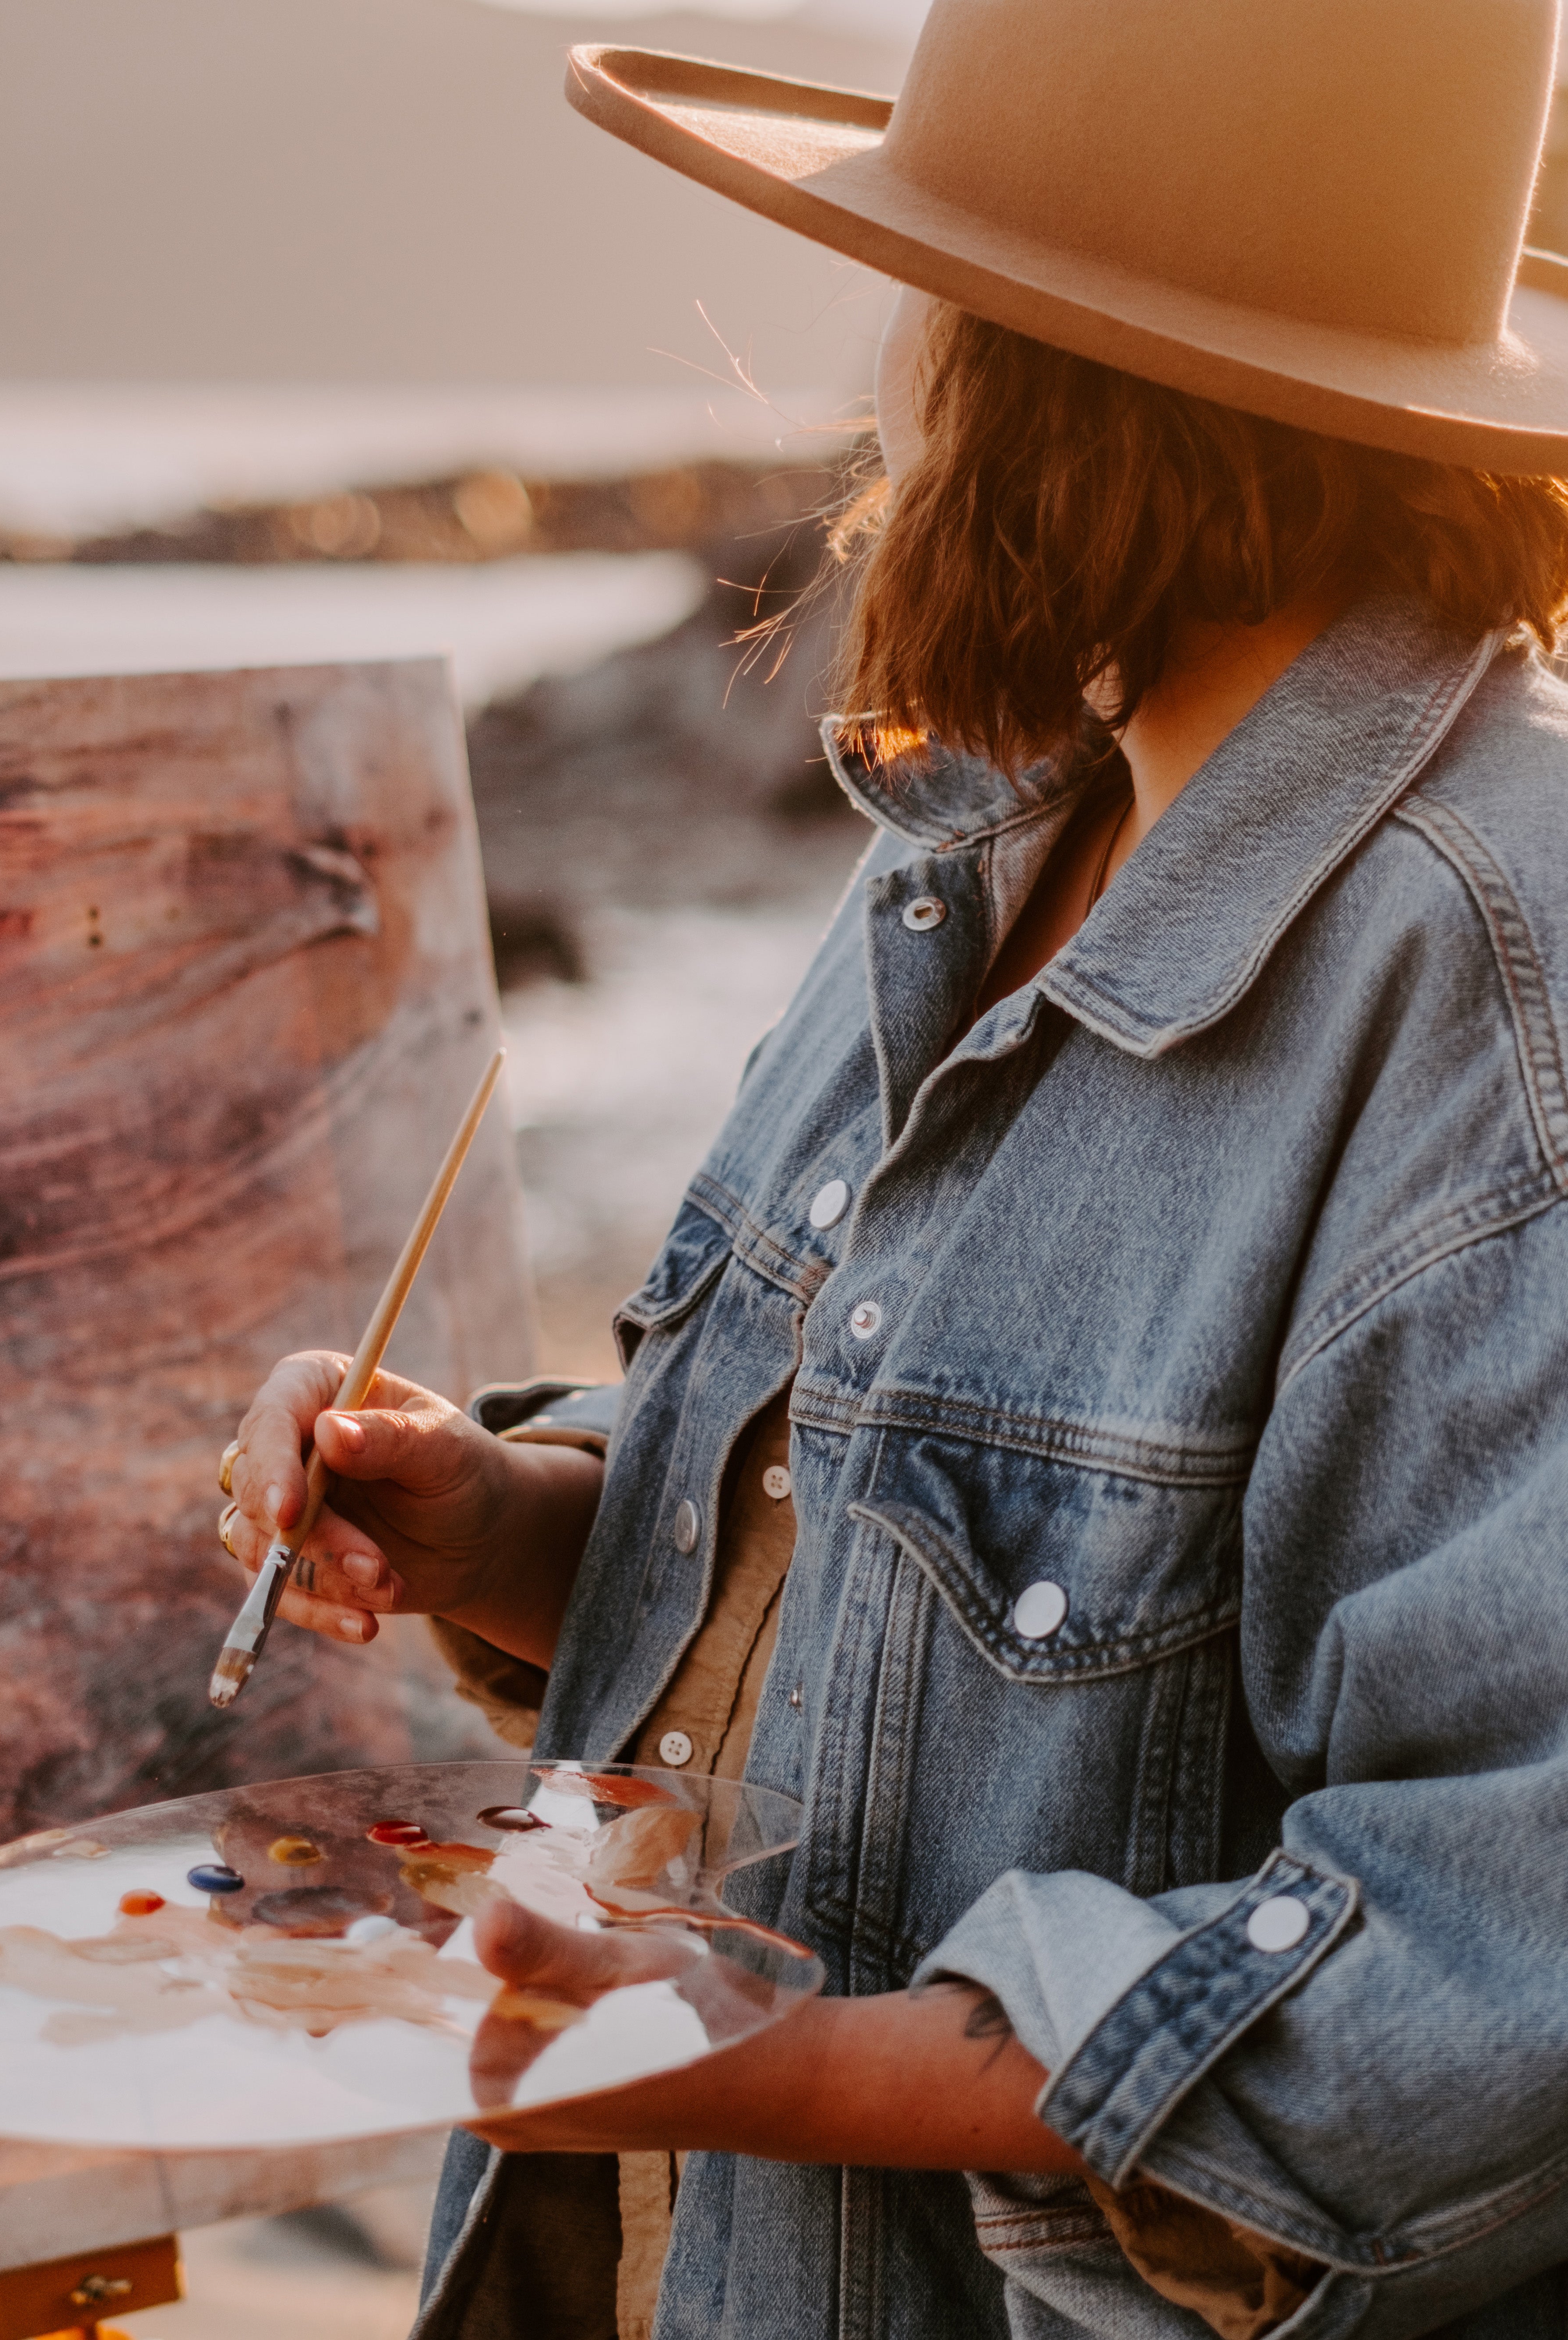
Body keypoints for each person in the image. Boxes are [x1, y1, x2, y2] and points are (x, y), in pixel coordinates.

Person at [216, 1, 1568, 2333]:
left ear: (1055, 381)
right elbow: (927, 1605)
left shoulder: (1495, 971)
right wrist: (514, 1519)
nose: (895, 387)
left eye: (928, 302)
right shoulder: (981, 836)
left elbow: (1500, 1949)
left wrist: (797, 2073)